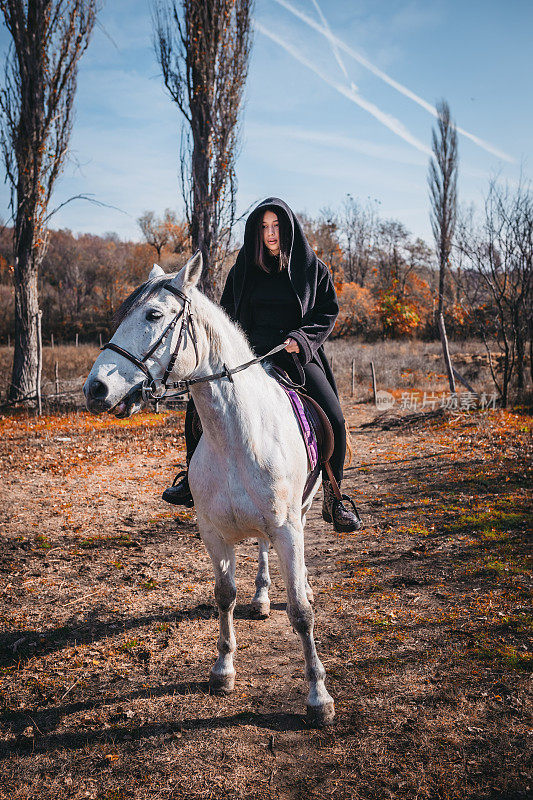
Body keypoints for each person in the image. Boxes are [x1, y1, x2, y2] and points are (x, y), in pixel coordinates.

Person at [162, 197, 362, 532]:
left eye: (276, 226)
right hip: (248, 354)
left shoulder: (312, 267)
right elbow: (225, 316)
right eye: (264, 227)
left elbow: (328, 310)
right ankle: (190, 479)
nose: (270, 234)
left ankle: (335, 494)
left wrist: (303, 338)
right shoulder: (243, 267)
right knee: (197, 408)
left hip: (296, 354)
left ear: (288, 228)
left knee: (335, 419)